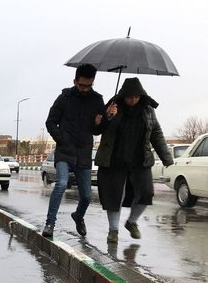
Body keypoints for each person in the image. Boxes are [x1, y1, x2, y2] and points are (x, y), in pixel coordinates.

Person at [95, 77, 173, 244]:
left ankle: (131, 222)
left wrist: (166, 157)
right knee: (114, 196)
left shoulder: (148, 110)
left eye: (137, 96)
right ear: (123, 95)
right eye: (130, 97)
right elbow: (96, 129)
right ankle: (113, 231)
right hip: (114, 159)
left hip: (140, 159)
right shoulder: (112, 107)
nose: (133, 100)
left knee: (146, 193)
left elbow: (156, 134)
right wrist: (108, 116)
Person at [42, 64, 106, 237]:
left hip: (84, 153)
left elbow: (97, 131)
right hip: (65, 151)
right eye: (82, 85)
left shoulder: (98, 101)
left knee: (86, 195)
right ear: (75, 81)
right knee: (61, 183)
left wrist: (103, 121)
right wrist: (61, 138)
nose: (85, 89)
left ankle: (78, 216)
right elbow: (50, 122)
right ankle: (50, 223)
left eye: (89, 85)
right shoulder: (64, 98)